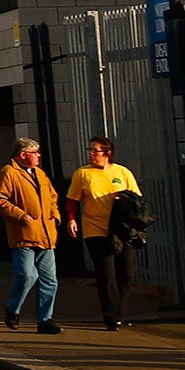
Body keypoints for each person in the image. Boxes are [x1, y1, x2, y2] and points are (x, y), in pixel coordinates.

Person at [66, 137, 142, 331]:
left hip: (121, 229)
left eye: (96, 150)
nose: (91, 153)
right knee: (106, 274)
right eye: (90, 149)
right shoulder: (83, 174)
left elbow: (136, 199)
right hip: (96, 229)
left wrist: (122, 200)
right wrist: (72, 219)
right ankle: (111, 317)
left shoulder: (122, 172)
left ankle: (118, 309)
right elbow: (72, 200)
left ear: (107, 153)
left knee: (127, 274)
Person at [0, 137, 62, 334]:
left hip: (46, 234)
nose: (39, 156)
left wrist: (55, 215)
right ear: (23, 155)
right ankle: (12, 308)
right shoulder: (8, 173)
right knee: (27, 275)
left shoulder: (40, 174)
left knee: (50, 280)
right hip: (23, 234)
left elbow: (53, 197)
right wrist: (21, 215)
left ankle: (45, 319)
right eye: (35, 152)